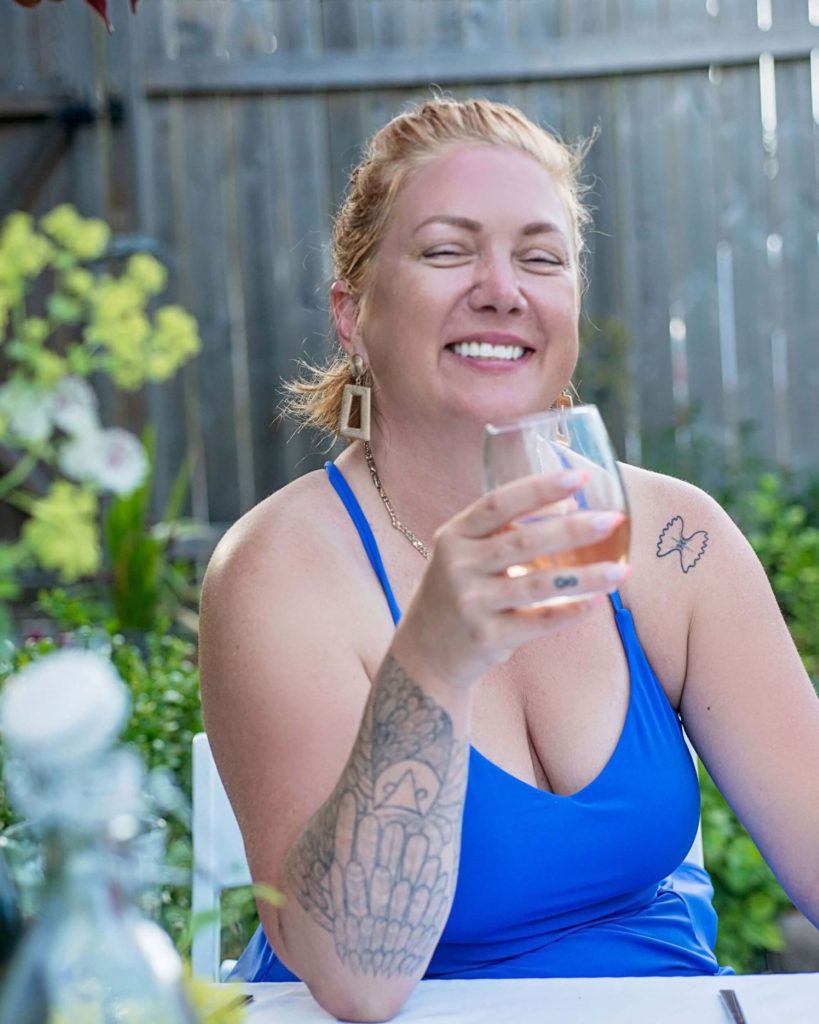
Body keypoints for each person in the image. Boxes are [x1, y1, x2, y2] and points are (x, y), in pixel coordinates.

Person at [199, 98, 819, 1022]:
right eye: (448, 250)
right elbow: (359, 978)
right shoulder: (279, 573)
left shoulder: (669, 540)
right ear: (353, 313)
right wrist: (436, 659)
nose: (502, 289)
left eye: (540, 258)